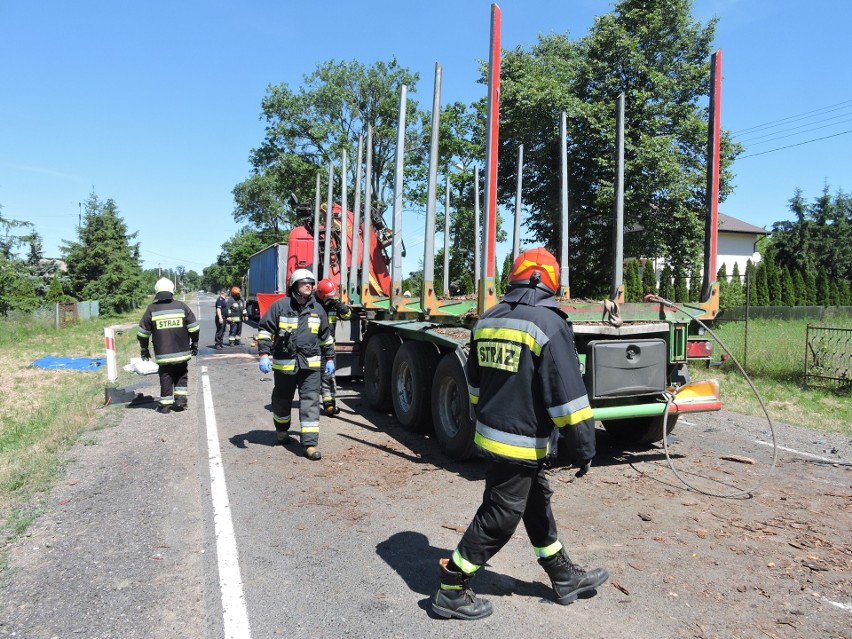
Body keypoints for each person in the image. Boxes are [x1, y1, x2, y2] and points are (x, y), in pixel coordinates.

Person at [431, 247, 608, 620]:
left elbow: (475, 384)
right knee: (500, 515)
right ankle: (452, 587)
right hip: (521, 440)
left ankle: (562, 576)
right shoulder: (549, 324)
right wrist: (584, 446)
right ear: (551, 282)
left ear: (514, 278)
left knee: (534, 501)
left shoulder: (488, 320)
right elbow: (567, 397)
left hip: (493, 433)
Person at [256, 269, 335, 460]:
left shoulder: (317, 309)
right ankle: (282, 431)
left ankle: (309, 444)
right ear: (294, 286)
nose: (309, 285)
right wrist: (264, 354)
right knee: (282, 401)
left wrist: (330, 358)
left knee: (311, 402)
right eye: (304, 283)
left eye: (311, 283)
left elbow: (326, 338)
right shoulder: (280, 307)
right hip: (285, 365)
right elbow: (265, 330)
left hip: (311, 366)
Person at [137, 277, 200, 414]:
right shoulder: (181, 307)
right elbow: (194, 328)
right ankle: (181, 402)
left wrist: (144, 349)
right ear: (172, 291)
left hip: (163, 354)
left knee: (166, 376)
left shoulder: (151, 309)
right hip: (182, 352)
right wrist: (194, 343)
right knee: (181, 375)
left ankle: (165, 406)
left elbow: (142, 333)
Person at [314, 278, 351, 416]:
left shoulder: (333, 304)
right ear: (321, 295)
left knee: (329, 375)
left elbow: (347, 315)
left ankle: (329, 404)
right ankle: (310, 403)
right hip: (313, 346)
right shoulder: (311, 304)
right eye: (329, 297)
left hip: (328, 346)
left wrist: (337, 303)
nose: (331, 299)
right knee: (312, 376)